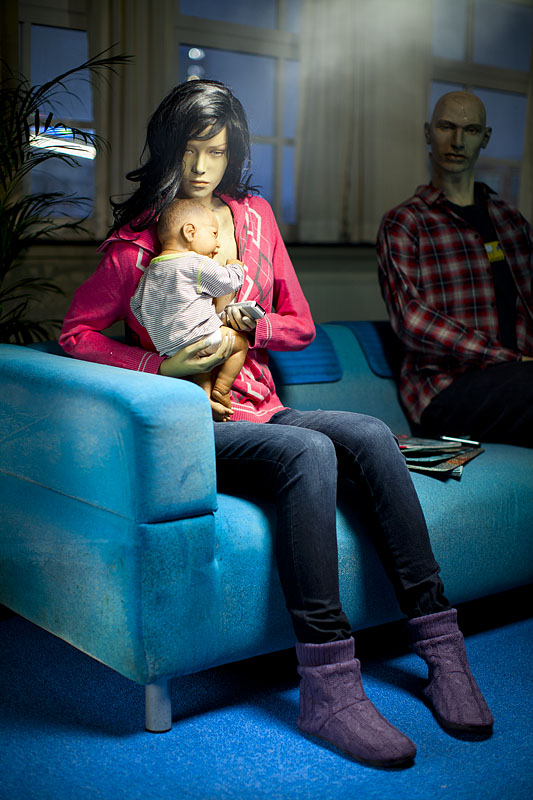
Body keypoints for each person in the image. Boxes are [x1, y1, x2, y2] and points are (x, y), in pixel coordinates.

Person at [59, 79, 493, 768]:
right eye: (190, 149)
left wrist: (248, 327)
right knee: (306, 454)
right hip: (200, 423)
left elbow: (300, 324)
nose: (201, 166)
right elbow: (76, 334)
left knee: (370, 435)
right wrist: (158, 366)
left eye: (216, 151)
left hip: (266, 405)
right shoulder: (136, 243)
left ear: (233, 153)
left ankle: (442, 649)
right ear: (167, 148)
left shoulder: (255, 218)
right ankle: (328, 685)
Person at [377, 90, 533, 448]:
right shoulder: (405, 222)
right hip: (445, 390)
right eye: (447, 127)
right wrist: (511, 359)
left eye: (471, 130)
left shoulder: (511, 221)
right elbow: (412, 321)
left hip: (517, 380)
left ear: (485, 137)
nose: (458, 141)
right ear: (428, 132)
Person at [130, 198, 248, 420]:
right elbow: (227, 282)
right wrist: (236, 267)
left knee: (201, 368)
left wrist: (159, 327)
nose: (218, 245)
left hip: (168, 348)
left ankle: (206, 401)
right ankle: (222, 389)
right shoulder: (197, 263)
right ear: (190, 232)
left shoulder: (151, 270)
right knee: (240, 344)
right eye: (214, 234)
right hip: (200, 337)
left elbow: (136, 306)